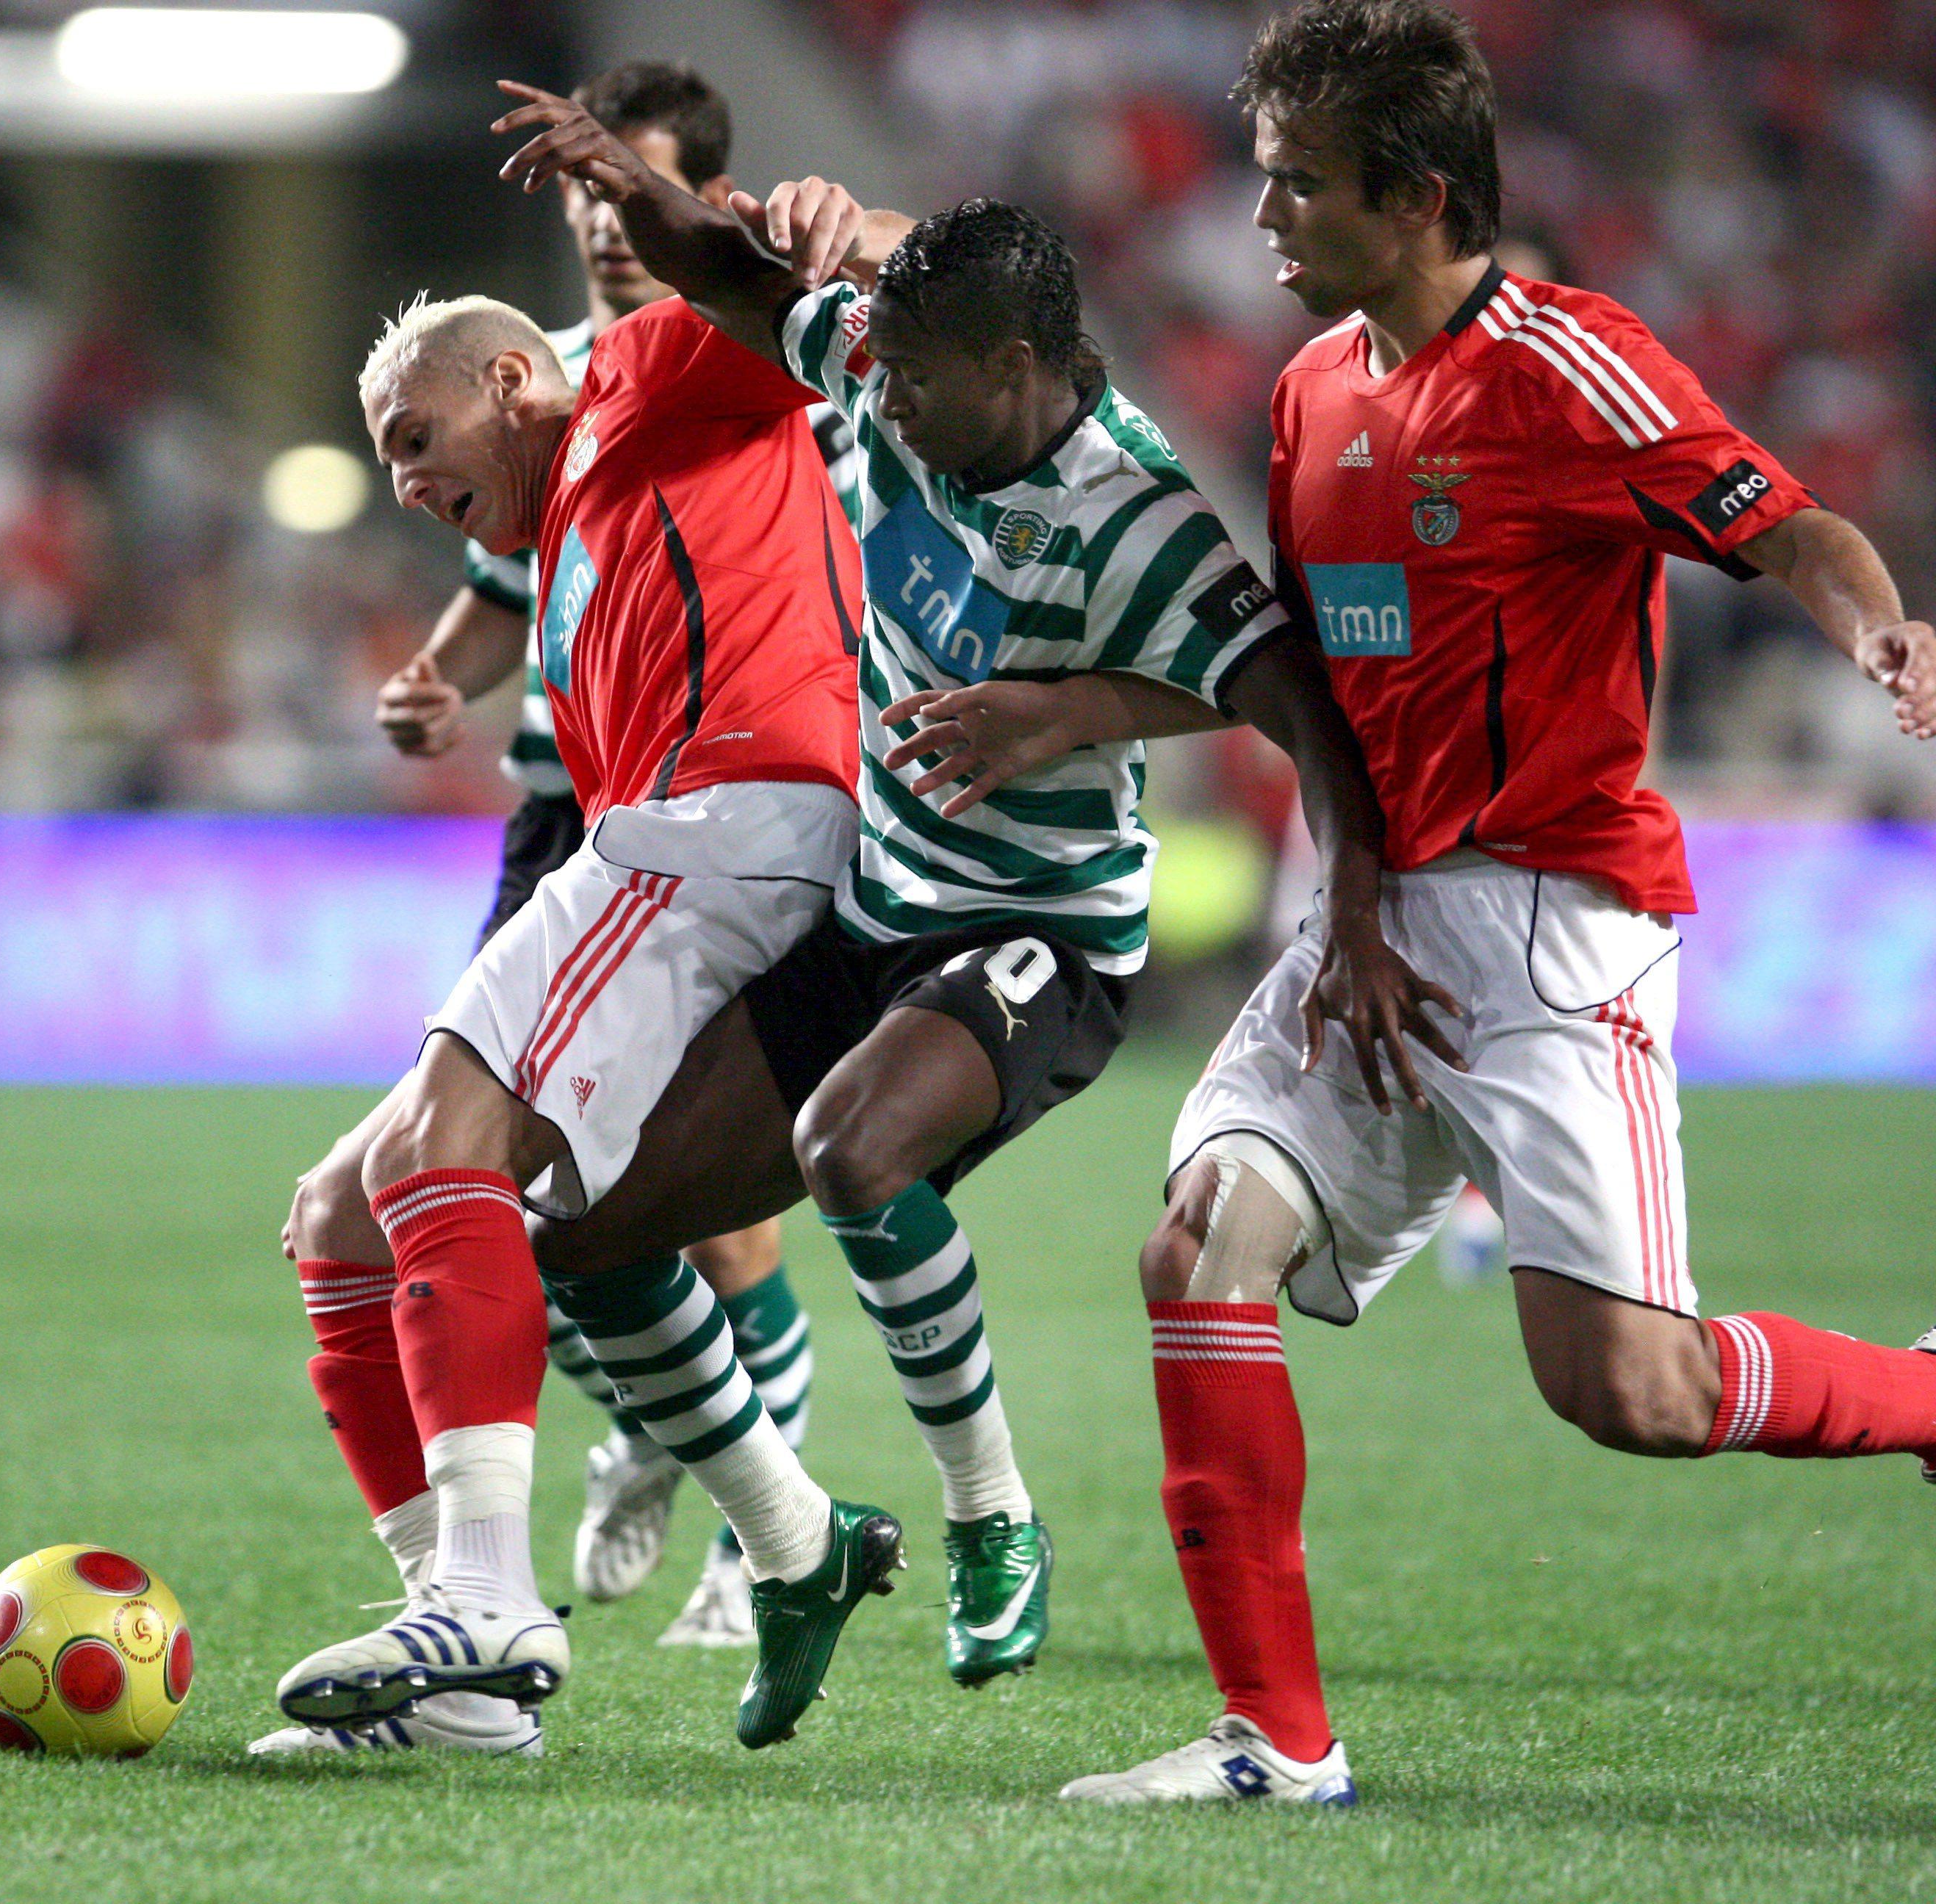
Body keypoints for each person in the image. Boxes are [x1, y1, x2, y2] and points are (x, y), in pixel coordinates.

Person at [1057, 0, 1936, 1807]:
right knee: (1200, 1237)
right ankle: (1275, 1746)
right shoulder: (1307, 394)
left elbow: (1788, 527)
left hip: (1550, 932)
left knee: (1631, 1393)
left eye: (1299, 189)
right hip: (1368, 923)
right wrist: (1338, 889)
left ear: (1420, 195)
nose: (1261, 221)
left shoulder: (1567, 370)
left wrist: (1882, 630)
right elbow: (1319, 685)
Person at [491, 87, 1446, 1746]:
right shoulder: (883, 358)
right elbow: (721, 263)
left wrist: (1080, 719)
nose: (887, 403)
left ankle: (990, 1516)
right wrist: (620, 171)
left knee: (856, 1151)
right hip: (874, 904)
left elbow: (1301, 695)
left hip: (1042, 936)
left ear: (1017, 371)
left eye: (924, 382)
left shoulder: (1132, 513)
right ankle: (797, 1545)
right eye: (885, 368)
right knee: (572, 1229)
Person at [303, 65, 855, 1717]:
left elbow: (795, 289)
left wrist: (752, 214)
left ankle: (489, 1602)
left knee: (440, 1154)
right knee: (340, 1217)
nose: (403, 478)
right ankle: (478, 1662)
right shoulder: (565, 524)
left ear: (510, 376)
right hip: (662, 847)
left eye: (415, 439)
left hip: (723, 828)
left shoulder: (644, 373)